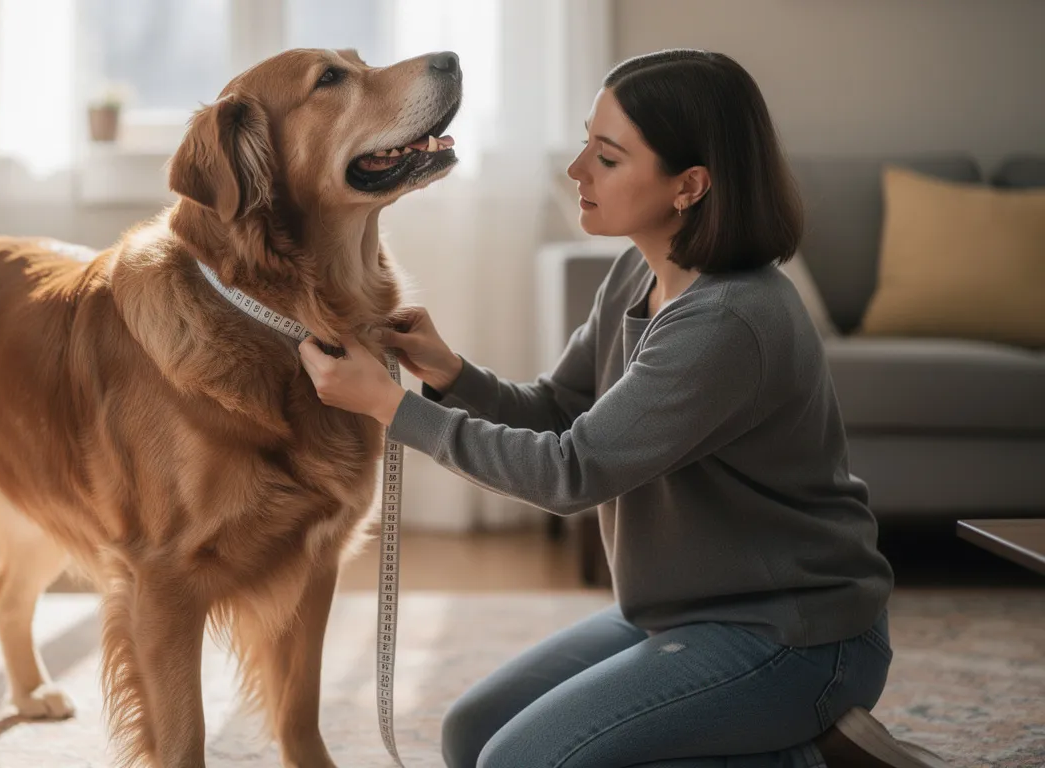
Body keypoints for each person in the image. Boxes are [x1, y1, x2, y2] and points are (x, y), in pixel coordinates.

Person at [298, 49, 951, 768]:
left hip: (791, 636)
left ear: (689, 185)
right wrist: (452, 375)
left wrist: (391, 406)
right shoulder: (639, 270)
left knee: (518, 763)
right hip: (679, 614)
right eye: (587, 142)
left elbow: (570, 473)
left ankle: (815, 759)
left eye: (607, 158)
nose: (576, 171)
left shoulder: (728, 322)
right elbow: (559, 410)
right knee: (470, 735)